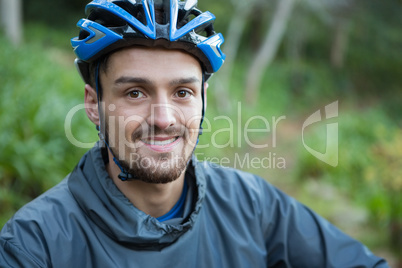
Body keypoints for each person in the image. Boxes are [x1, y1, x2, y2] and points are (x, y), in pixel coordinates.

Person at [0, 0, 389, 267]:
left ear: (203, 101)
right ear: (93, 104)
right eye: (135, 92)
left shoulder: (252, 205)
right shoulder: (36, 244)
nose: (164, 118)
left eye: (182, 92)